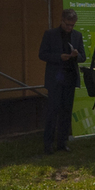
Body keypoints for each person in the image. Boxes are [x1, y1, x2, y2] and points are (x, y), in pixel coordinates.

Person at [38, 9, 85, 153]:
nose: (70, 28)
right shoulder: (50, 34)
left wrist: (76, 56)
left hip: (70, 77)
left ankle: (62, 142)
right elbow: (42, 54)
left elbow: (83, 57)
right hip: (56, 77)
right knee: (53, 110)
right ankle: (48, 143)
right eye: (67, 24)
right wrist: (59, 57)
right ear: (61, 20)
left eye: (72, 25)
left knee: (66, 111)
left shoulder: (77, 36)